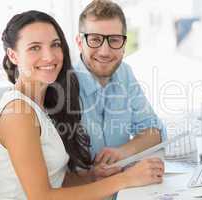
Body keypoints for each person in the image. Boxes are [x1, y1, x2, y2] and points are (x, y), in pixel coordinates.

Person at [0, 10, 164, 200]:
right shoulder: (18, 113)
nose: (49, 56)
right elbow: (42, 197)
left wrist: (91, 176)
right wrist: (125, 179)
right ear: (13, 56)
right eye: (35, 48)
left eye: (55, 45)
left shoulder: (42, 105)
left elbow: (56, 180)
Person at [74, 0, 167, 166]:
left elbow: (154, 131)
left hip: (122, 186)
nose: (105, 52)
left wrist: (122, 153)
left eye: (114, 40)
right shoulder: (63, 84)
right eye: (95, 40)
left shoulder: (124, 73)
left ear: (124, 44)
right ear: (80, 43)